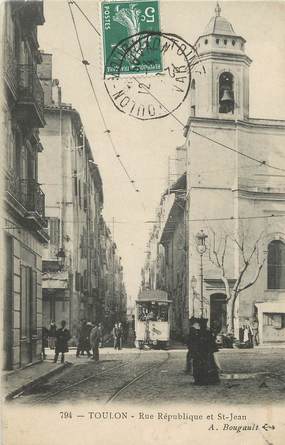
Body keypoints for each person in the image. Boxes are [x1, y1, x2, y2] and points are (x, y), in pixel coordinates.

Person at [188, 318, 220, 386]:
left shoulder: (199, 332)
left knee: (202, 365)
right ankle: (206, 379)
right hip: (204, 352)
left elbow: (193, 342)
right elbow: (211, 342)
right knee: (206, 365)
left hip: (202, 352)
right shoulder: (205, 332)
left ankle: (201, 380)